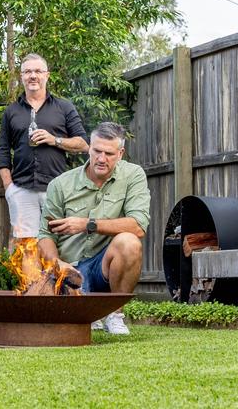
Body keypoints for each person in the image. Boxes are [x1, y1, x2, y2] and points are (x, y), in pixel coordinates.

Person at [38, 122, 151, 335]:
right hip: (70, 270)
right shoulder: (60, 185)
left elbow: (138, 225)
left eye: (108, 153)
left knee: (129, 242)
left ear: (120, 153)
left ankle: (115, 315)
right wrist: (56, 263)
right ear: (89, 147)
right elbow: (45, 235)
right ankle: (86, 311)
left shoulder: (133, 175)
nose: (101, 158)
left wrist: (87, 224)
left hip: (103, 267)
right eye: (97, 151)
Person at [0, 53, 88, 243]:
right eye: (27, 71)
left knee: (59, 243)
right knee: (26, 246)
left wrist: (55, 140)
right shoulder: (11, 111)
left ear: (47, 75)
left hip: (56, 189)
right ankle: (31, 275)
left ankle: (57, 275)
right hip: (21, 190)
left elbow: (83, 144)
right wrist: (9, 188)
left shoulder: (64, 107)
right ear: (21, 77)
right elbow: (3, 151)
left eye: (38, 71)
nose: (33, 75)